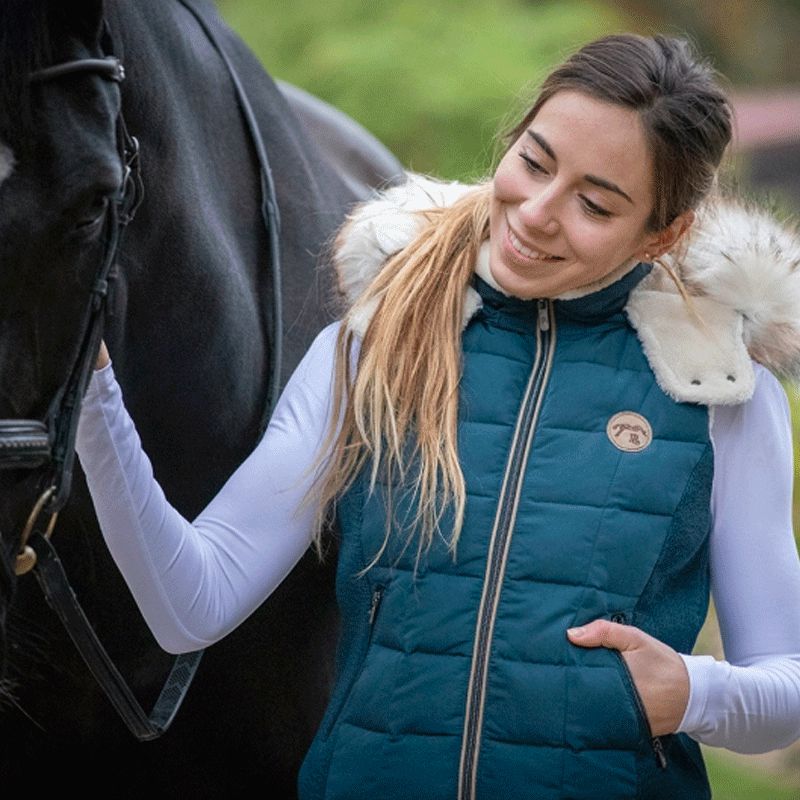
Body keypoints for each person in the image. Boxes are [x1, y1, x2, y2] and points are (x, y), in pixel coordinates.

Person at [78, 33, 800, 800]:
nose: (538, 213)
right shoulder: (372, 348)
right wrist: (93, 400)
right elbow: (193, 603)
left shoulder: (718, 396)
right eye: (534, 161)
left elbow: (784, 692)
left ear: (663, 233)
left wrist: (692, 691)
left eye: (594, 203)